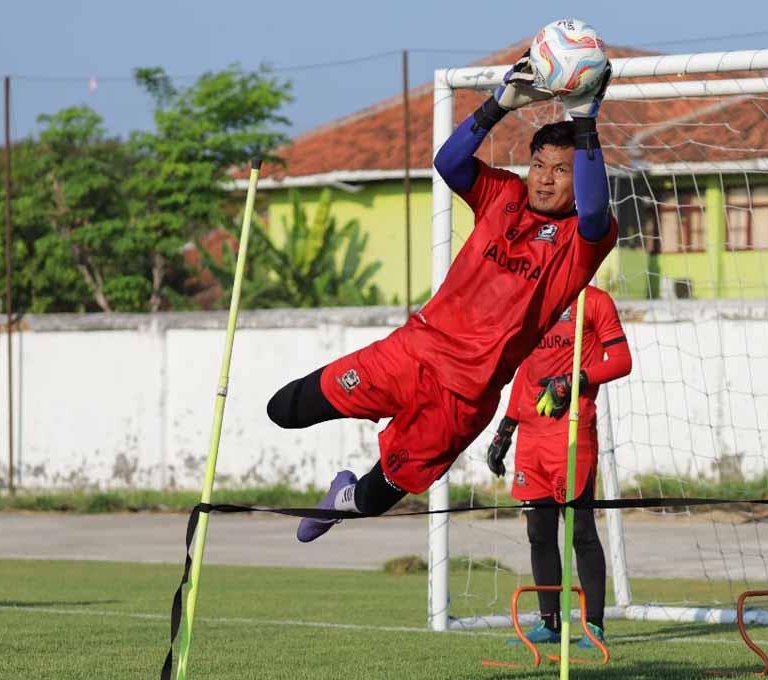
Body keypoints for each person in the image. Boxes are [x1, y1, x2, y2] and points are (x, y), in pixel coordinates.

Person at [267, 53, 617, 543]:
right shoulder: (504, 195)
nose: (544, 177)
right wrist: (500, 104)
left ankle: (342, 497)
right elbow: (448, 163)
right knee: (284, 409)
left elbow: (597, 207)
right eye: (539, 165)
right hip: (412, 352)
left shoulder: (582, 238)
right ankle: (343, 457)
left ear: (576, 179)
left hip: (463, 397)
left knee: (374, 498)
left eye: (561, 170)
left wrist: (585, 119)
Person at [485, 285, 632, 648]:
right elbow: (526, 368)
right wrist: (506, 427)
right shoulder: (533, 300)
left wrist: (575, 379)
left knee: (580, 529)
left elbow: (622, 360)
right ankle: (549, 623)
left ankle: (593, 626)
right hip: (532, 437)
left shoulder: (594, 301)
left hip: (571, 431)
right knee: (538, 531)